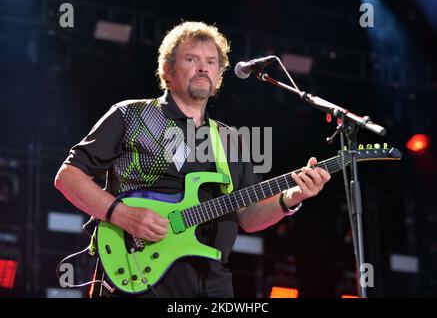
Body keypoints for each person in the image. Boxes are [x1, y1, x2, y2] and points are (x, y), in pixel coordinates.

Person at [54, 21, 331, 298]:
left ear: (218, 75)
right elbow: (68, 176)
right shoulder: (131, 115)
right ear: (167, 70)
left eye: (211, 61)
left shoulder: (231, 140)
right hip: (138, 275)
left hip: (213, 285)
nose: (203, 67)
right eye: (191, 59)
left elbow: (247, 217)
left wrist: (291, 197)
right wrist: (122, 214)